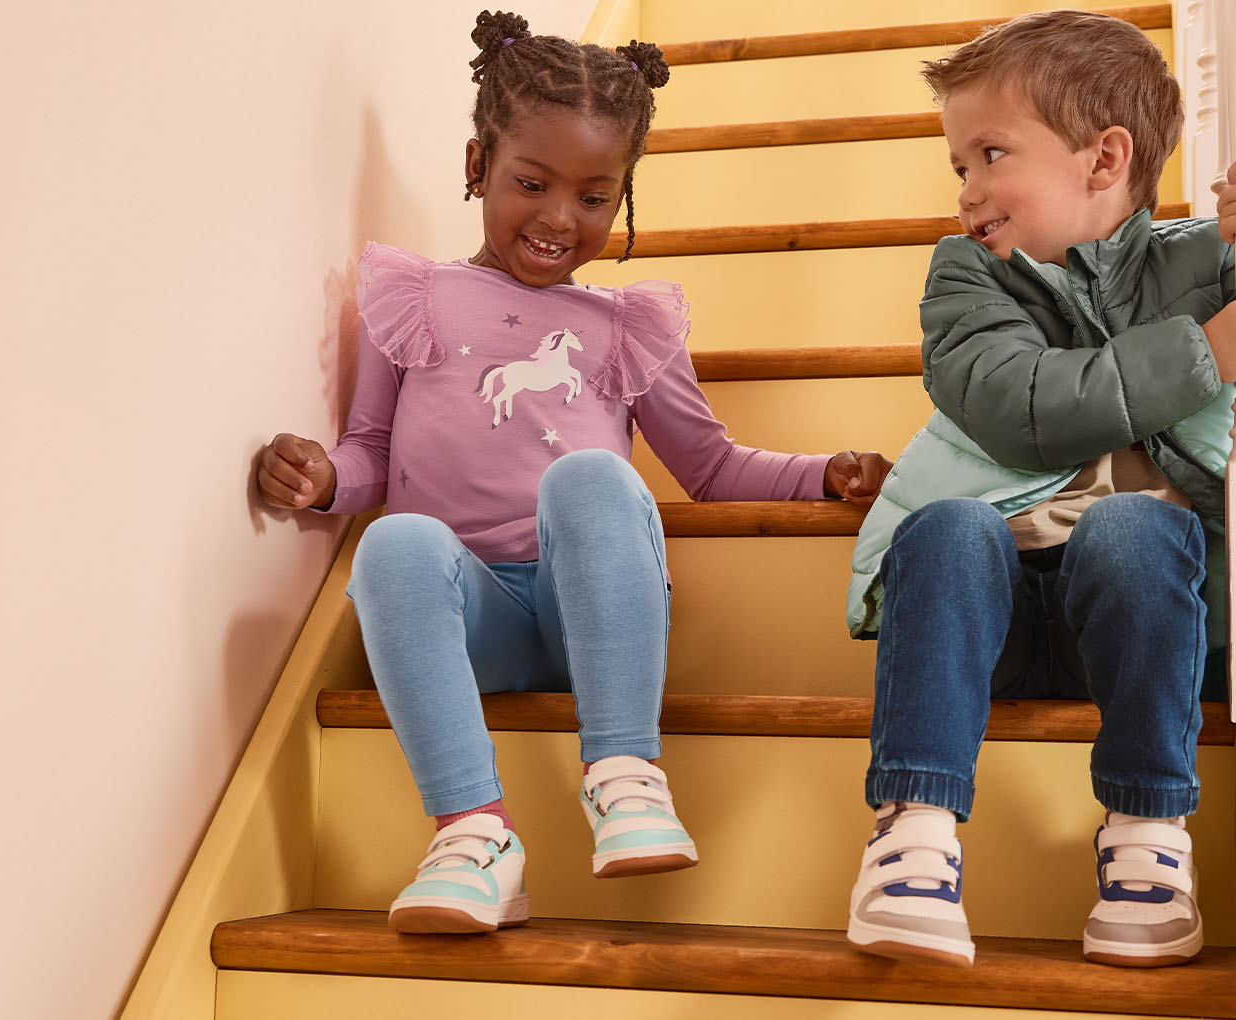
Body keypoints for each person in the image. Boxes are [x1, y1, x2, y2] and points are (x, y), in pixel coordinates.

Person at [256, 10, 890, 936]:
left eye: (595, 197)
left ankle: (625, 773)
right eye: (531, 183)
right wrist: (321, 481)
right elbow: (374, 455)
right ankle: (475, 835)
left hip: (596, 607)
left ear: (624, 196)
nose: (560, 218)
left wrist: (820, 473)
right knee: (394, 542)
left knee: (588, 480)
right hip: (475, 619)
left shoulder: (626, 324)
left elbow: (709, 467)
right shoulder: (415, 296)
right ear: (478, 166)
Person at [838, 9, 1236, 969]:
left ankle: (1147, 838)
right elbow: (1020, 402)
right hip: (995, 616)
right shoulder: (967, 279)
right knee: (945, 528)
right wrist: (1206, 352)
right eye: (959, 167)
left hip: (1145, 614)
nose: (967, 193)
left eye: (989, 155)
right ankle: (913, 836)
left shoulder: (1204, 264)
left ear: (1104, 160)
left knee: (1133, 531)